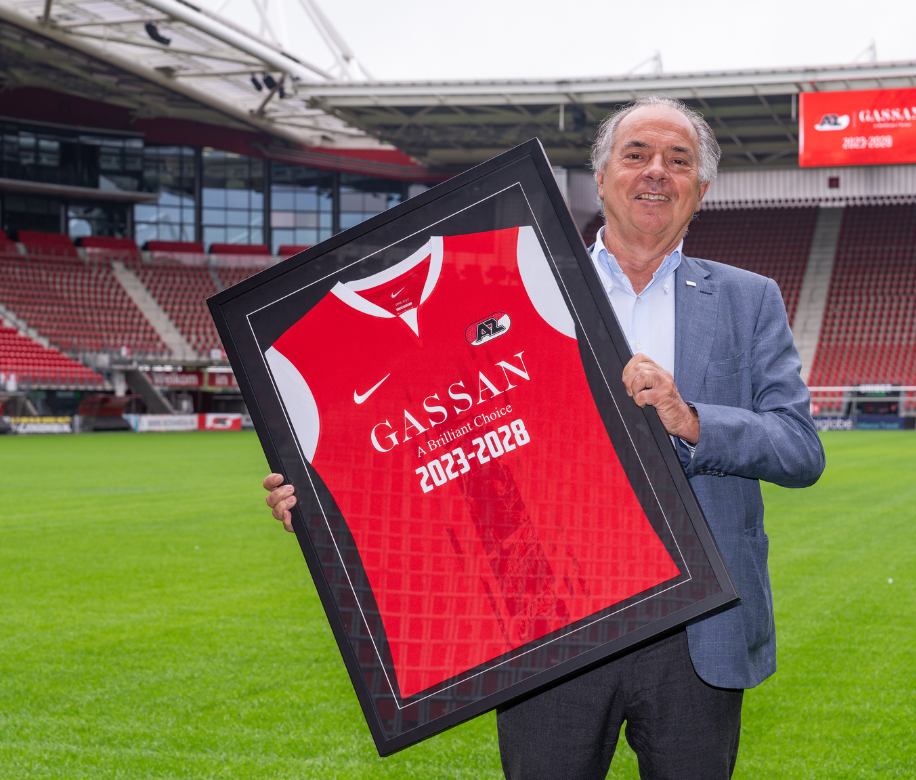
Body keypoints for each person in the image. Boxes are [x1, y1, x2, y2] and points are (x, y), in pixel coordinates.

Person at [264, 96, 824, 780]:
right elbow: (438, 430)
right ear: (602, 177)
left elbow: (800, 449)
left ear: (700, 190)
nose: (656, 172)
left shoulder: (749, 299)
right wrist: (325, 501)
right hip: (551, 627)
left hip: (698, 631)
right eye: (637, 155)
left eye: (678, 161)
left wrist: (693, 420)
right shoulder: (513, 286)